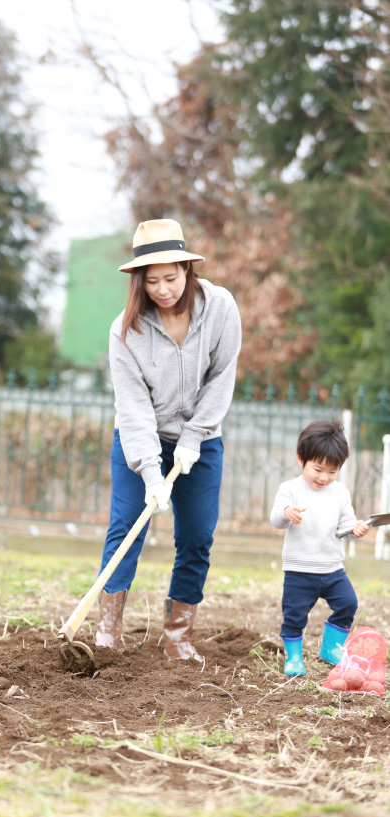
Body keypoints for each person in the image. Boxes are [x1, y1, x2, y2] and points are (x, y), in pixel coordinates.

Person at [96, 218, 242, 660]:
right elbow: (133, 406)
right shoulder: (126, 331)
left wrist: (195, 437)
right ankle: (108, 628)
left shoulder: (220, 307)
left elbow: (222, 375)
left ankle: (178, 635)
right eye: (152, 281)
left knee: (197, 535)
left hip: (201, 439)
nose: (163, 289)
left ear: (186, 269)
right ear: (139, 280)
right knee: (126, 529)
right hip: (140, 440)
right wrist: (150, 470)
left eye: (171, 277)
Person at [270, 419, 370, 676]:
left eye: (332, 471)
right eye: (318, 469)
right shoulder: (290, 489)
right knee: (294, 615)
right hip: (299, 569)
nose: (324, 477)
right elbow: (275, 519)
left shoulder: (340, 493)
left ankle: (331, 647)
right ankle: (293, 659)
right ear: (300, 458)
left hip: (332, 568)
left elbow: (345, 525)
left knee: (349, 603)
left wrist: (355, 529)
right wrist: (286, 512)